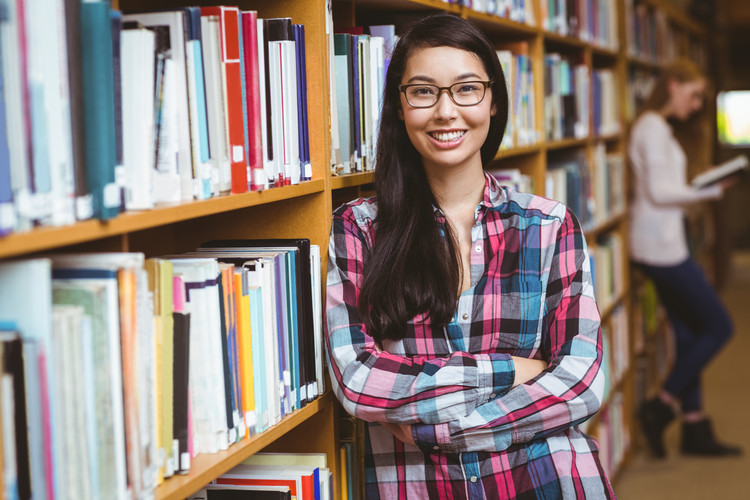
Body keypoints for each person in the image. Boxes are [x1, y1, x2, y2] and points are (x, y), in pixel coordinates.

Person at [325, 13, 615, 499]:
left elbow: (582, 383)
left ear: (494, 100)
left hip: (544, 481)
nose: (445, 111)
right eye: (422, 91)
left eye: (466, 89)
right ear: (399, 107)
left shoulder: (549, 225)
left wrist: (435, 429)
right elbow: (357, 381)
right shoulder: (358, 228)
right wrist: (517, 369)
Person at [628, 59, 742, 458]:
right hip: (660, 248)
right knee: (719, 326)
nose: (695, 105)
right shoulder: (652, 128)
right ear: (672, 85)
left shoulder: (656, 128)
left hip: (661, 242)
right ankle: (661, 405)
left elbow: (665, 187)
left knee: (691, 333)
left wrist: (701, 182)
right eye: (693, 95)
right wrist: (709, 191)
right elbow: (661, 193)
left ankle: (694, 427)